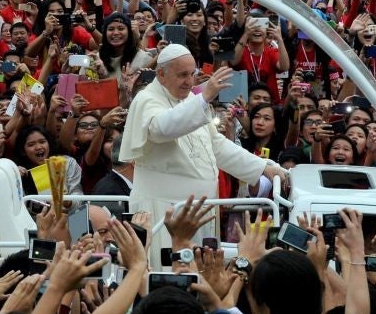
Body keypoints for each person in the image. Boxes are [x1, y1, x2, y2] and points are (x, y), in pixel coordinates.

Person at [119, 44, 288, 267]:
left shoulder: (189, 99)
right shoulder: (147, 99)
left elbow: (216, 145)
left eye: (192, 74)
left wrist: (262, 167)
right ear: (161, 74)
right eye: (182, 75)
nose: (189, 82)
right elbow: (161, 129)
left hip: (199, 210)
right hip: (163, 210)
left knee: (201, 273)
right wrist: (204, 97)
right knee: (168, 274)